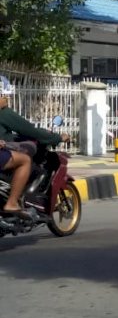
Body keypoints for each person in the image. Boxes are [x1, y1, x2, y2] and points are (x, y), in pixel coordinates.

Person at [1, 76, 69, 217]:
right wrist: (58, 137)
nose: (7, 101)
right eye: (6, 97)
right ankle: (12, 202)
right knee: (25, 160)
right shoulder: (4, 113)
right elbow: (31, 131)